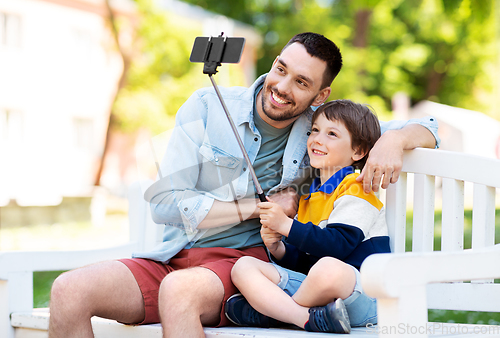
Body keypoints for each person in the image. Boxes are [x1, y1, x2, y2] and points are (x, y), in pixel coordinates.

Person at [48, 32, 439, 338]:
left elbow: (428, 129)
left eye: (301, 82)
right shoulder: (207, 105)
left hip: (242, 266)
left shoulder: (322, 129)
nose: (282, 87)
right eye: (281, 69)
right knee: (68, 291)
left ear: (320, 95)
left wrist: (394, 140)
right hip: (173, 254)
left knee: (179, 292)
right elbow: (164, 203)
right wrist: (252, 207)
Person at [225, 99, 387, 334]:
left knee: (328, 267)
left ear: (358, 151)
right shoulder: (310, 195)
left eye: (332, 133)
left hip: (363, 295)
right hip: (319, 297)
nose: (317, 139)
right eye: (315, 130)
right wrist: (278, 246)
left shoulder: (357, 187)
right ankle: (302, 317)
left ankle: (274, 313)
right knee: (244, 266)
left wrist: (287, 225)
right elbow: (303, 261)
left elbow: (337, 246)